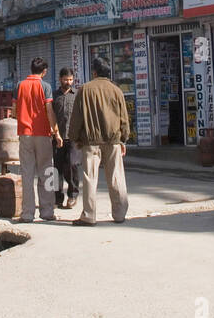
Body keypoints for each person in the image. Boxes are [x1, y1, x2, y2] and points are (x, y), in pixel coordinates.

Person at [68, 56, 131, 226]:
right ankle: (119, 214)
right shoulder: (116, 90)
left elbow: (76, 118)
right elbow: (123, 118)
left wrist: (74, 138)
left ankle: (89, 215)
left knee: (90, 177)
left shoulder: (85, 90)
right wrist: (123, 139)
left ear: (94, 72)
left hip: (91, 141)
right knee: (116, 176)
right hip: (113, 140)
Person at [15, 57, 59, 223]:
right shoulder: (45, 86)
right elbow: (49, 110)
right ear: (44, 71)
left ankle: (27, 213)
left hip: (25, 134)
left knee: (27, 173)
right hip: (43, 134)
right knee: (47, 172)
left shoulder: (19, 86)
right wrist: (56, 131)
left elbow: (14, 111)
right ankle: (47, 211)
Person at [51, 68, 80, 209]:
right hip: (57, 137)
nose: (68, 82)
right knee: (56, 169)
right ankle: (56, 198)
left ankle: (73, 195)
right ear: (60, 79)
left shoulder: (77, 95)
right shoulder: (54, 96)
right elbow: (49, 116)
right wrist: (54, 134)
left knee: (72, 165)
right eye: (65, 79)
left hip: (73, 137)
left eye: (70, 79)